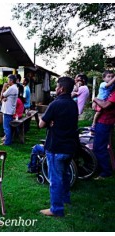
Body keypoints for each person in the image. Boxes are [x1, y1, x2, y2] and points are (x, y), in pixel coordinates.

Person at [39, 76, 79, 217]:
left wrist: (46, 119)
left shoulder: (55, 104)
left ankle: (56, 209)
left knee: (55, 179)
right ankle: (65, 199)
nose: (55, 89)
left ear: (61, 88)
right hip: (70, 147)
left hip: (56, 148)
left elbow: (41, 124)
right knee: (66, 174)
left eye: (56, 86)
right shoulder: (73, 104)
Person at [92, 87, 115, 179]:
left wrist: (95, 99)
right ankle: (101, 168)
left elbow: (105, 105)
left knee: (99, 148)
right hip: (103, 122)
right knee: (100, 147)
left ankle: (106, 172)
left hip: (105, 123)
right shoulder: (110, 91)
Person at [0, 74, 18, 145]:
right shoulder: (14, 88)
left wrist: (4, 87)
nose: (7, 82)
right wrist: (4, 98)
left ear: (11, 80)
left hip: (7, 110)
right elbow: (5, 97)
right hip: (10, 110)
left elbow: (2, 95)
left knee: (6, 127)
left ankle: (7, 142)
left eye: (8, 80)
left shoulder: (12, 88)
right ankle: (8, 140)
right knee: (8, 127)